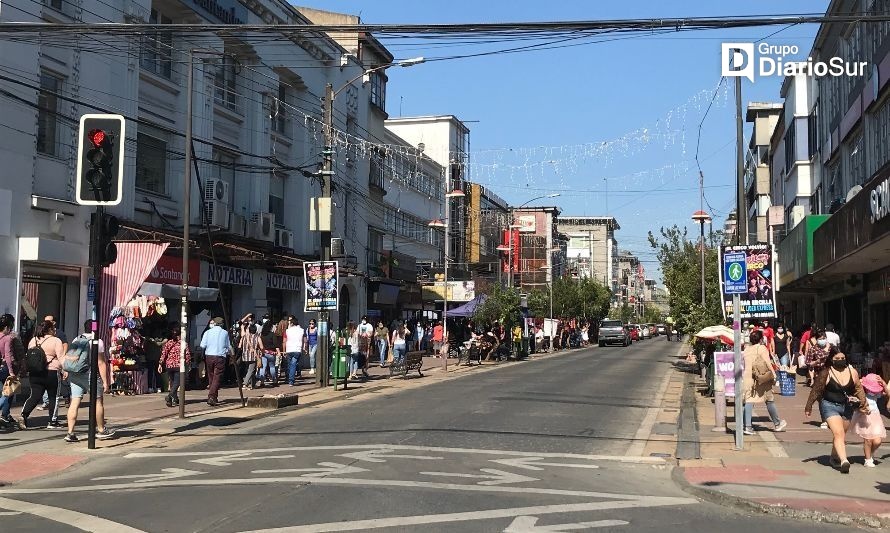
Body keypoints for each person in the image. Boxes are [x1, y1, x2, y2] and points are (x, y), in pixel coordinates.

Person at [805, 349, 868, 474]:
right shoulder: (826, 373)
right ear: (832, 360)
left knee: (841, 434)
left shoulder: (852, 371)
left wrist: (864, 404)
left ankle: (834, 457)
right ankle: (844, 461)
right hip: (829, 405)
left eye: (843, 358)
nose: (841, 361)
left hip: (847, 407)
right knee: (838, 433)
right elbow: (816, 389)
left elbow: (858, 389)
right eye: (837, 359)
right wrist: (809, 406)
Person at [61, 320, 116, 443]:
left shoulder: (77, 339)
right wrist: (106, 381)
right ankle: (101, 429)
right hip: (90, 374)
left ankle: (70, 432)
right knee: (98, 402)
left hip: (75, 374)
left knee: (74, 402)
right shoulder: (98, 342)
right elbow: (100, 363)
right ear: (95, 329)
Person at [741, 329, 787, 436]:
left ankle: (747, 426)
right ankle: (777, 423)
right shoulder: (762, 348)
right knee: (769, 399)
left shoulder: (746, 349)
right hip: (762, 378)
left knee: (749, 400)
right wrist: (774, 375)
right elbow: (767, 362)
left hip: (748, 377)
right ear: (761, 339)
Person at [21, 320, 65, 429]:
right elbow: (61, 357)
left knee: (35, 395)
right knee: (53, 397)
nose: (55, 330)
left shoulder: (33, 340)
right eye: (53, 329)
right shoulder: (56, 340)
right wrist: (65, 370)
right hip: (52, 372)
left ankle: (24, 415)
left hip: (35, 372)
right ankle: (52, 421)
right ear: (49, 330)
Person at [852, 373, 887, 468]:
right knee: (868, 439)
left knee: (877, 441)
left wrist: (883, 383)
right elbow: (852, 387)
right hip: (864, 416)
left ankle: (870, 454)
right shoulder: (860, 391)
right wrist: (860, 382)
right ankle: (867, 459)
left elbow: (887, 393)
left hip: (875, 416)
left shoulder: (877, 393)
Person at [199, 317, 232, 406]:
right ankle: (212, 395)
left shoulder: (207, 332)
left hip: (209, 356)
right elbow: (229, 346)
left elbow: (202, 345)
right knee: (217, 376)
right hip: (220, 356)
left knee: (211, 376)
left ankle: (214, 396)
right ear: (222, 324)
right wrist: (232, 354)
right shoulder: (225, 333)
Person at [158, 325, 190, 408]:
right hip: (179, 365)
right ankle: (170, 396)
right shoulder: (183, 343)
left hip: (169, 365)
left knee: (172, 382)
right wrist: (188, 364)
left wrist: (160, 364)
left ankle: (174, 399)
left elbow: (163, 353)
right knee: (177, 382)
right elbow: (187, 355)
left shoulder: (169, 343)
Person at [0, 313, 23, 428]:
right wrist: (12, 371)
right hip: (6, 368)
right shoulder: (10, 337)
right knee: (8, 392)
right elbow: (9, 355)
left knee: (3, 392)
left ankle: (5, 415)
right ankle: (4, 415)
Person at [239, 324, 263, 390]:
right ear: (256, 330)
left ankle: (253, 384)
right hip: (253, 356)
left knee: (251, 370)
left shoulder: (244, 337)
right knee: (251, 370)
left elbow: (239, 346)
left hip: (245, 356)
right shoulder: (257, 337)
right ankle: (245, 383)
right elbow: (261, 347)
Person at [283, 316, 305, 386]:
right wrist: (305, 348)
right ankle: (291, 381)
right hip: (297, 349)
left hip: (289, 349)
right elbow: (304, 340)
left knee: (290, 365)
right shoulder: (301, 330)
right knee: (293, 364)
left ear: (291, 323)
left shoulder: (287, 331)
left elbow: (284, 341)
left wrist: (284, 350)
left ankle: (289, 378)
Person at [257, 320, 279, 388]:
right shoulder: (272, 334)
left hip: (263, 352)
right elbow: (275, 344)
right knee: (272, 367)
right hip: (271, 353)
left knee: (263, 368)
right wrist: (278, 352)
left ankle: (262, 382)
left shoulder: (261, 334)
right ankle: (274, 381)